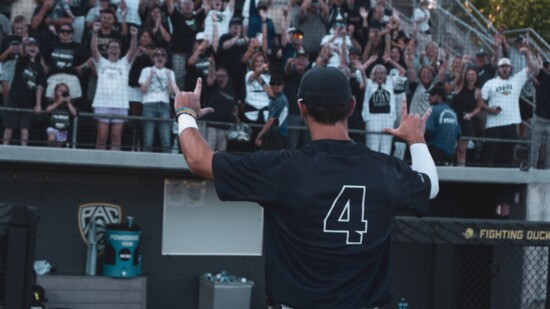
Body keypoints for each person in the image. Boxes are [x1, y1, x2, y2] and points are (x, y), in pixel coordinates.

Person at [173, 67, 439, 308]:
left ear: (301, 108)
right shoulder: (386, 169)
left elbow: (199, 161)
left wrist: (186, 113)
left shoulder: (282, 169)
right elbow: (430, 188)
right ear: (351, 107)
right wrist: (415, 138)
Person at [481, 50, 538, 167]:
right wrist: (489, 109)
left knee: (507, 158)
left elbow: (532, 67)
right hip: (493, 125)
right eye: (502, 66)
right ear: (498, 69)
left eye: (507, 66)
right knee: (490, 157)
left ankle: (505, 185)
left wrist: (527, 51)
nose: (504, 69)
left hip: (511, 125)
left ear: (511, 69)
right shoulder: (490, 83)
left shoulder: (517, 80)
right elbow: (479, 101)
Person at [90, 22, 138, 150]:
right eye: (111, 47)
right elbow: (94, 50)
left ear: (120, 50)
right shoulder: (101, 63)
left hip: (120, 104)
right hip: (102, 103)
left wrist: (134, 36)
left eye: (117, 47)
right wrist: (95, 32)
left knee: (116, 138)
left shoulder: (124, 64)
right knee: (101, 137)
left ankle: (114, 167)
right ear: (107, 50)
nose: (114, 49)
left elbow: (133, 51)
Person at [3, 37, 45, 146]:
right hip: (14, 98)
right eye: (29, 46)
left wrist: (38, 104)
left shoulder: (39, 67)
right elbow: (21, 53)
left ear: (38, 49)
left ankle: (24, 149)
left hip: (28, 101)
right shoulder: (22, 61)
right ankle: (4, 148)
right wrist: (23, 43)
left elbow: (39, 86)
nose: (32, 48)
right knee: (9, 126)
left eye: (34, 46)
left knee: (25, 127)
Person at [138, 47, 176, 153]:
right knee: (148, 138)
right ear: (153, 58)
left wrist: (169, 78)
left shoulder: (170, 72)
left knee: (166, 139)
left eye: (162, 55)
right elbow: (143, 90)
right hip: (149, 105)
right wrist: (150, 76)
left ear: (166, 59)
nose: (160, 57)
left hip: (164, 105)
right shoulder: (146, 70)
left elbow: (171, 93)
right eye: (157, 55)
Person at [425, 83, 461, 165]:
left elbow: (428, 130)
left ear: (440, 97)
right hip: (449, 154)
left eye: (432, 94)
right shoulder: (453, 112)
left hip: (434, 152)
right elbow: (458, 133)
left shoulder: (433, 111)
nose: (429, 97)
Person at [255, 74, 288, 150]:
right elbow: (268, 90)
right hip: (274, 132)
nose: (275, 86)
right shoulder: (275, 97)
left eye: (278, 84)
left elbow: (271, 120)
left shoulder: (280, 101)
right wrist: (258, 78)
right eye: (273, 84)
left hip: (277, 134)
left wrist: (260, 135)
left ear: (282, 85)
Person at [45, 82, 77, 147]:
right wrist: (57, 103)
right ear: (56, 91)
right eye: (59, 90)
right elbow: (47, 109)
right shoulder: (52, 100)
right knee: (51, 138)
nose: (61, 92)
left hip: (63, 128)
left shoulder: (70, 103)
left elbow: (74, 113)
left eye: (64, 91)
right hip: (53, 126)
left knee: (59, 145)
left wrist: (68, 102)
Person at [531, 58, 550, 168]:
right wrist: (538, 65)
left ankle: (548, 172)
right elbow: (534, 77)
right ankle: (533, 168)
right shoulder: (541, 79)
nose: (547, 68)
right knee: (534, 147)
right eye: (546, 66)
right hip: (539, 119)